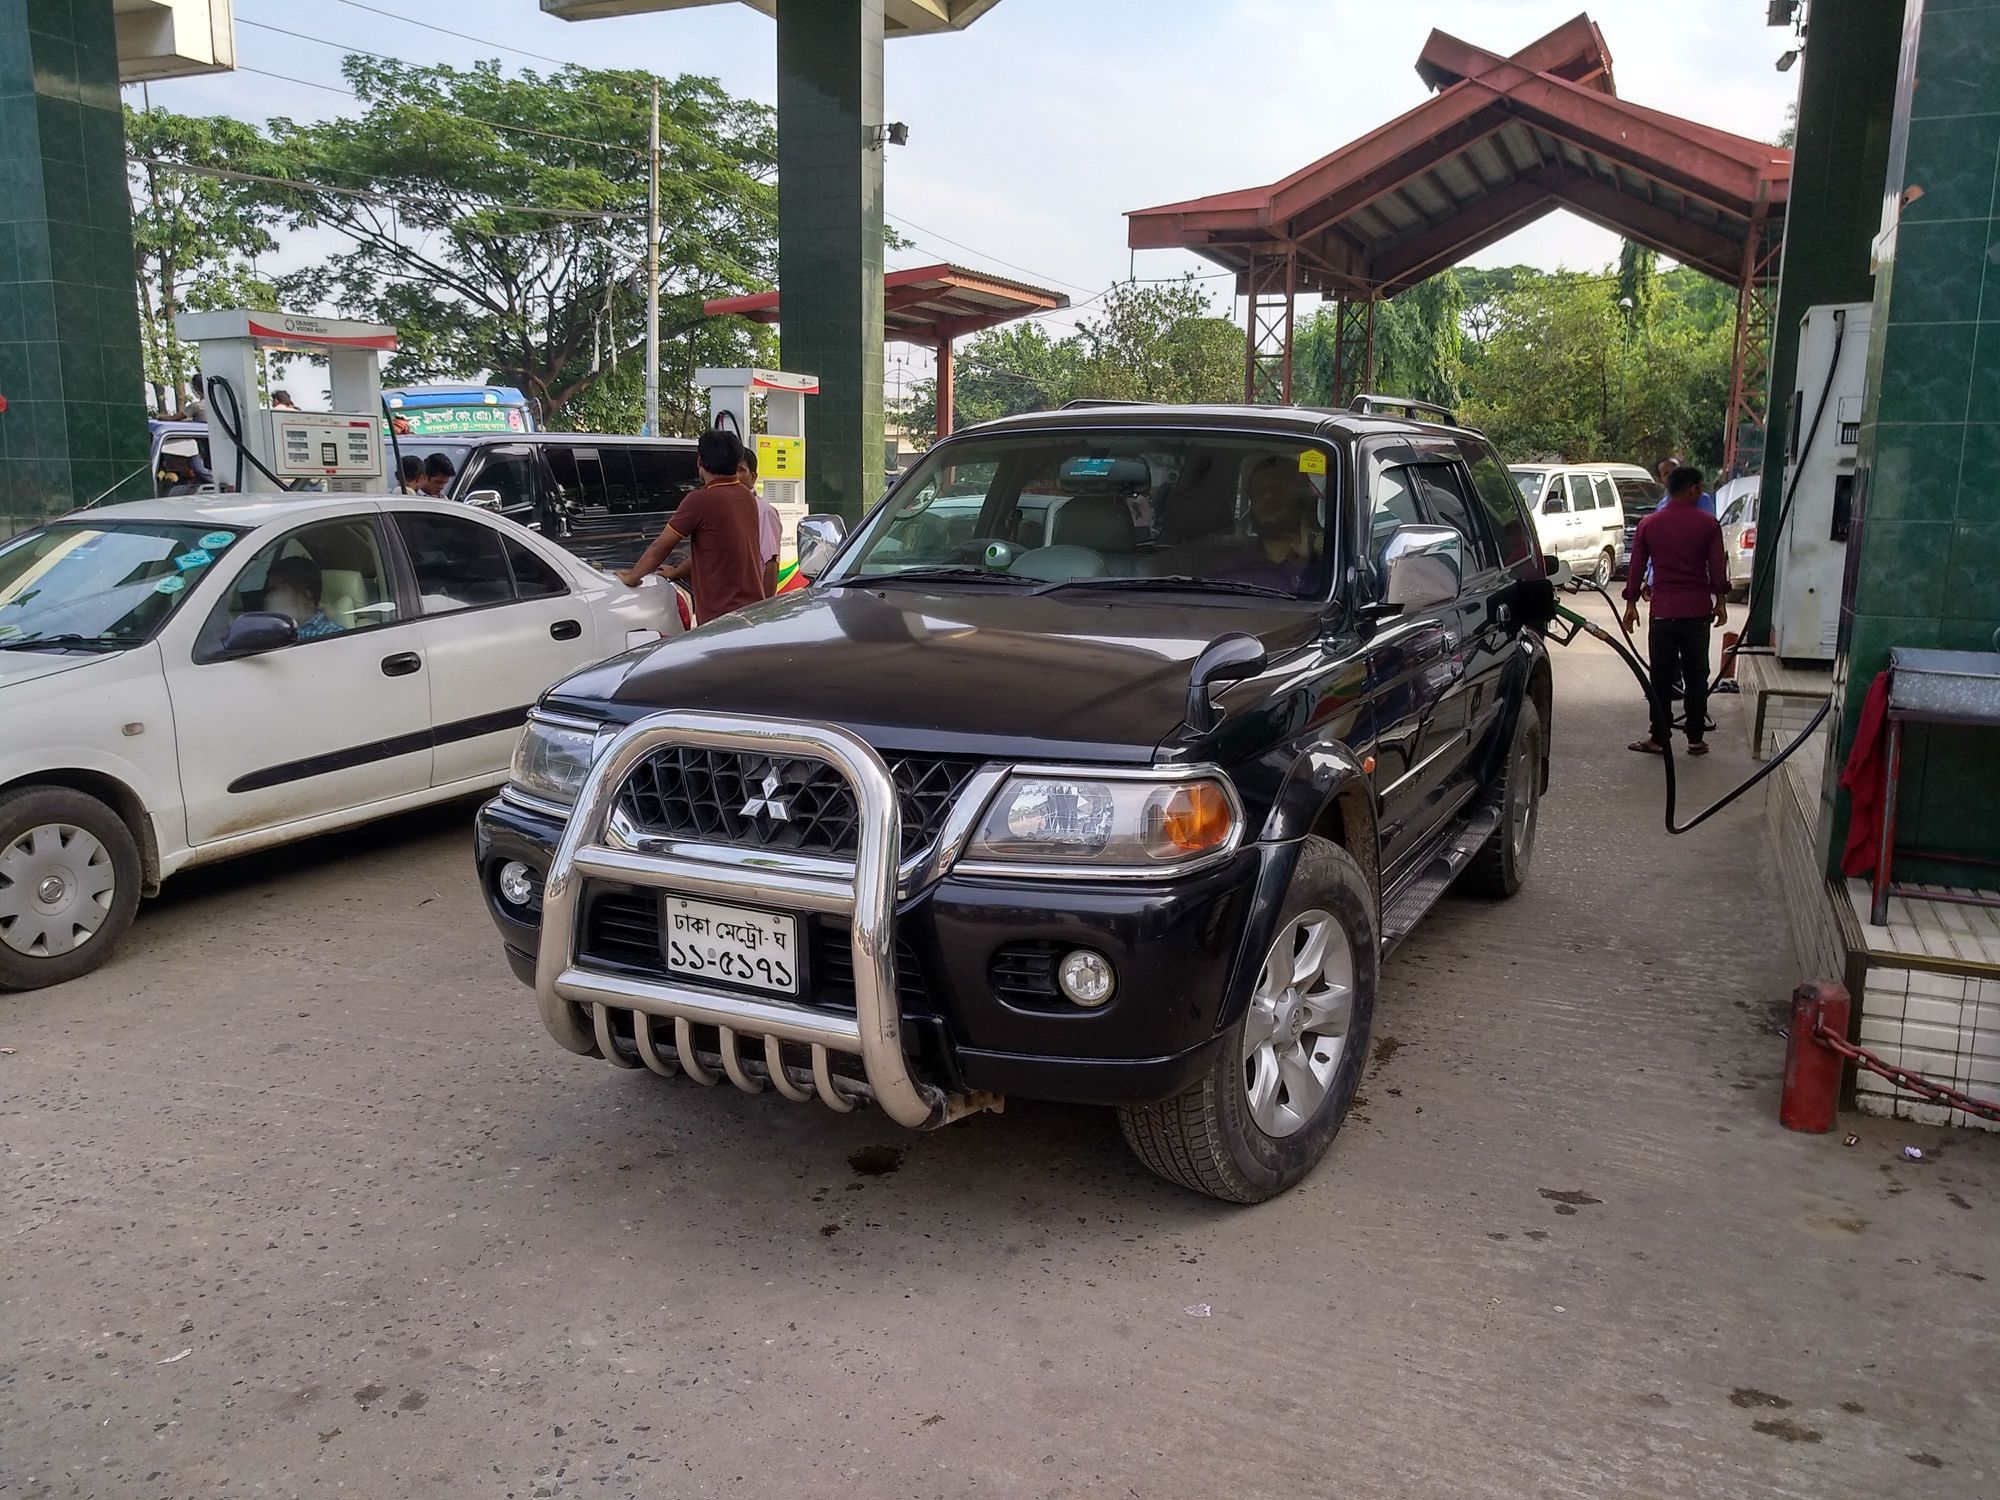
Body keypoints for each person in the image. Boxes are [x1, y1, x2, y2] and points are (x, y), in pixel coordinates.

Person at [1623, 465, 1727, 757]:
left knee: (1660, 676)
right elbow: (1717, 568)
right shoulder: (1708, 524)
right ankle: (1695, 738)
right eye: (1700, 488)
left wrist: (1631, 605)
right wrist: (1720, 602)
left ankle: (1659, 736)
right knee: (1696, 675)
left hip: (1663, 612)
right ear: (1692, 489)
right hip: (1696, 612)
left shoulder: (1649, 524)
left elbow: (1636, 568)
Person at [620, 427, 765, 622]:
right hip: (752, 610)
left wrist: (632, 577)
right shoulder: (746, 496)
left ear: (700, 461)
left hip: (722, 617)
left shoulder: (700, 500)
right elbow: (715, 551)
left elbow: (660, 548)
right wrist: (676, 572)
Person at [263, 556, 342, 641]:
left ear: (304, 596)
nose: (267, 598)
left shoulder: (333, 636)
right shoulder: (274, 629)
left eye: (275, 590)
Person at [739, 445, 782, 598]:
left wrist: (765, 606)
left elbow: (771, 564)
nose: (734, 476)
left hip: (753, 600)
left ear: (753, 477)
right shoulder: (728, 508)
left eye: (739, 470)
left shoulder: (763, 511)